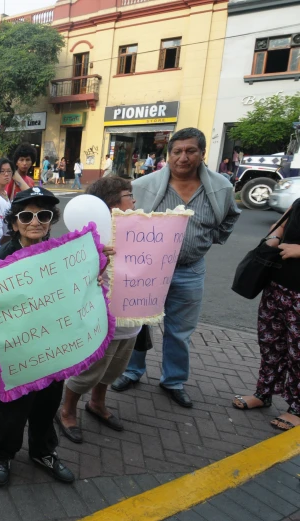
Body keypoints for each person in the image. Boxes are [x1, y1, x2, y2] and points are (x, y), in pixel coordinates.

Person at [111, 128, 241, 408]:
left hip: (189, 270)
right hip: (146, 270)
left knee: (180, 330)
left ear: (202, 154)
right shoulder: (143, 185)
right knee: (136, 324)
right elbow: (125, 220)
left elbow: (231, 216)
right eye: (177, 151)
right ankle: (132, 371)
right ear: (168, 155)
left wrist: (210, 239)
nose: (183, 157)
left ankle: (174, 381)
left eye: (190, 151)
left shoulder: (221, 188)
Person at [0, 187, 75, 487]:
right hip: (19, 352)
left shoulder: (64, 254)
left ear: (51, 220)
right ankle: (3, 453)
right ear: (14, 223)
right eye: (26, 215)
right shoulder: (3, 257)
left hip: (54, 348)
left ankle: (43, 451)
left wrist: (96, 272)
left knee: (48, 403)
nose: (35, 221)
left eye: (44, 215)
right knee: (14, 409)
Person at [57, 177, 141, 443]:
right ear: (111, 204)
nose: (134, 201)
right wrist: (96, 255)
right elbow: (70, 277)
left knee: (114, 368)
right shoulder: (87, 239)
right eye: (129, 195)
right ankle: (67, 410)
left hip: (132, 317)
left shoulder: (140, 230)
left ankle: (97, 403)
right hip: (101, 322)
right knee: (89, 371)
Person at [232, 198, 300, 430]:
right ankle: (263, 393)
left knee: (298, 352)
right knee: (270, 344)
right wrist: (274, 237)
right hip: (278, 286)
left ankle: (297, 407)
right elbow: (281, 226)